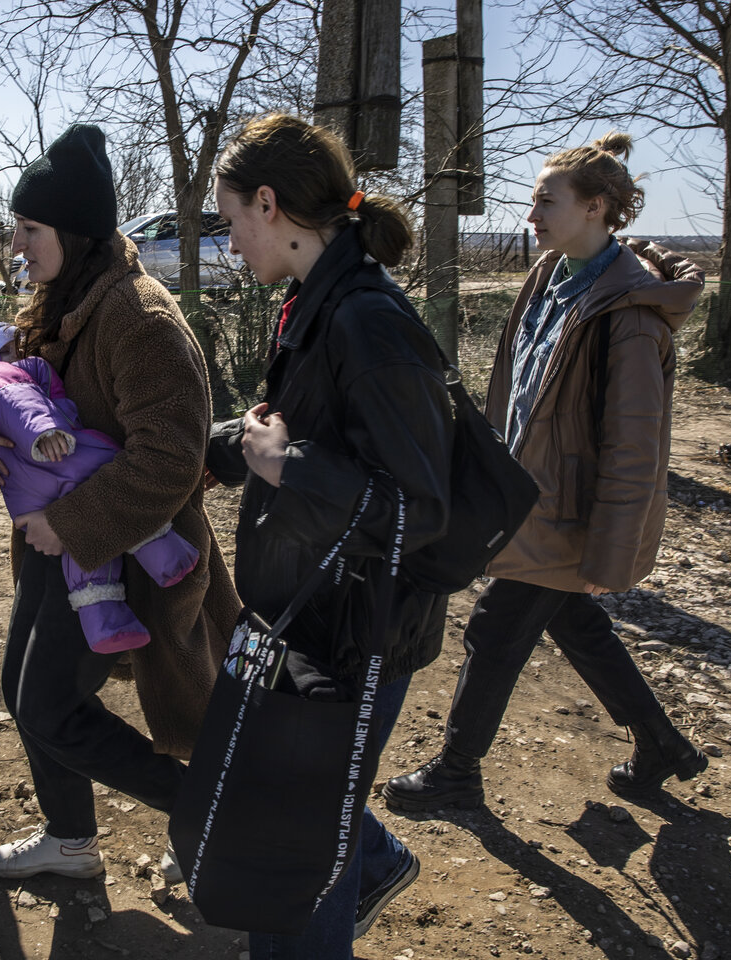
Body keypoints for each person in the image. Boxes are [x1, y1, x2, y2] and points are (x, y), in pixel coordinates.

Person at [0, 123, 240, 881]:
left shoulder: (140, 317)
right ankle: (71, 840)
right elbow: (2, 397)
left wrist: (68, 524)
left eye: (30, 227)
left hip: (123, 553)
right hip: (57, 550)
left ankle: (210, 810)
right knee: (21, 690)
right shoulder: (54, 300)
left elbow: (172, 459)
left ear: (73, 231)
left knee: (51, 707)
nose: (17, 241)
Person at [383, 133, 707, 814]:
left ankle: (456, 775)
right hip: (525, 495)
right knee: (572, 622)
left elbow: (634, 444)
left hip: (565, 512)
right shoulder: (550, 277)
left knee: (496, 626)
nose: (531, 214)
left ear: (595, 207)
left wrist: (610, 550)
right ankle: (662, 745)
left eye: (544, 201)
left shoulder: (633, 317)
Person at [204, 113, 454, 957]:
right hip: (312, 608)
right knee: (306, 805)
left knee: (297, 836)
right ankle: (373, 860)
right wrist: (235, 451)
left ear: (268, 205)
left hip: (360, 629)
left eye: (231, 219)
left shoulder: (369, 322)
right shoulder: (313, 301)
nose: (229, 241)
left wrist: (288, 467)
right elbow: (310, 432)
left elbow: (424, 511)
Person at [0, 301, 199, 653]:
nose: (18, 353)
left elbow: (22, 386)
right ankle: (167, 556)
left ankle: (103, 620)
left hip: (28, 497)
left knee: (85, 552)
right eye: (10, 349)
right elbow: (15, 397)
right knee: (101, 467)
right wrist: (45, 429)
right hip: (52, 457)